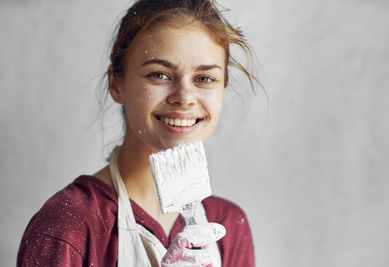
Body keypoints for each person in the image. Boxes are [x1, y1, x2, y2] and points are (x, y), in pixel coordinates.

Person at [17, 0, 258, 266]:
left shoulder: (227, 226)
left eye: (204, 78)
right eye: (159, 74)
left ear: (223, 88)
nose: (184, 98)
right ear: (116, 84)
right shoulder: (66, 229)